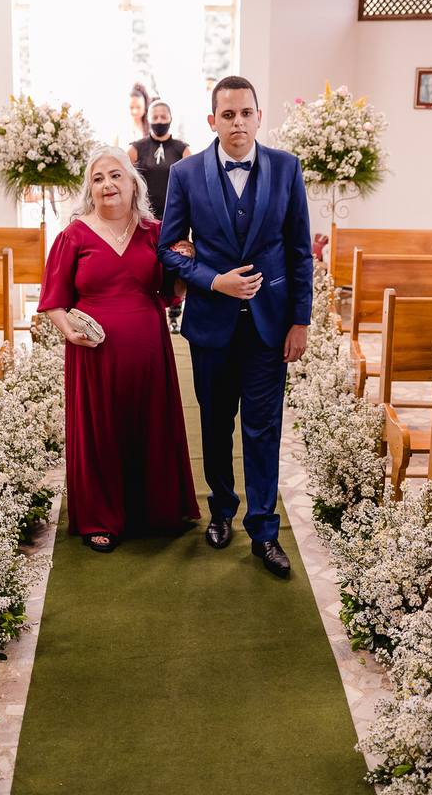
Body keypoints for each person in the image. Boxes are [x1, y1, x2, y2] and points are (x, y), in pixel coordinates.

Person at [158, 75, 313, 579]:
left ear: (259, 116)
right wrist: (213, 280)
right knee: (216, 422)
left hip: (270, 327)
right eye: (228, 115)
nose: (238, 122)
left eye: (246, 113)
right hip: (211, 324)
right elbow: (166, 248)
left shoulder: (288, 170)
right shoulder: (184, 174)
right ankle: (222, 510)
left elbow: (298, 252)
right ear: (212, 121)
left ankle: (264, 530)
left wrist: (301, 321)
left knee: (264, 429)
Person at [38, 145, 200, 552]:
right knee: (100, 433)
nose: (107, 184)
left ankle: (154, 511)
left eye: (115, 176)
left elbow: (172, 291)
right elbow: (54, 300)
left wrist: (187, 263)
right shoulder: (72, 236)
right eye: (97, 178)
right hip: (93, 354)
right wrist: (69, 332)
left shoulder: (157, 232)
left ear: (133, 183)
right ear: (89, 190)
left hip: (149, 351)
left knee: (151, 427)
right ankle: (100, 517)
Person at [130, 99, 192, 333]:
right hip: (143, 219)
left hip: (175, 218)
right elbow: (123, 177)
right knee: (147, 263)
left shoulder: (181, 148)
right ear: (148, 120)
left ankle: (175, 314)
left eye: (162, 117)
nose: (158, 121)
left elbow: (194, 180)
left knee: (175, 264)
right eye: (154, 117)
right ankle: (146, 310)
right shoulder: (136, 148)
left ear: (170, 119)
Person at [113, 81, 150, 148]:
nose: (135, 111)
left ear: (145, 106)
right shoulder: (121, 129)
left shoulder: (151, 129)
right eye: (131, 107)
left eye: (138, 107)